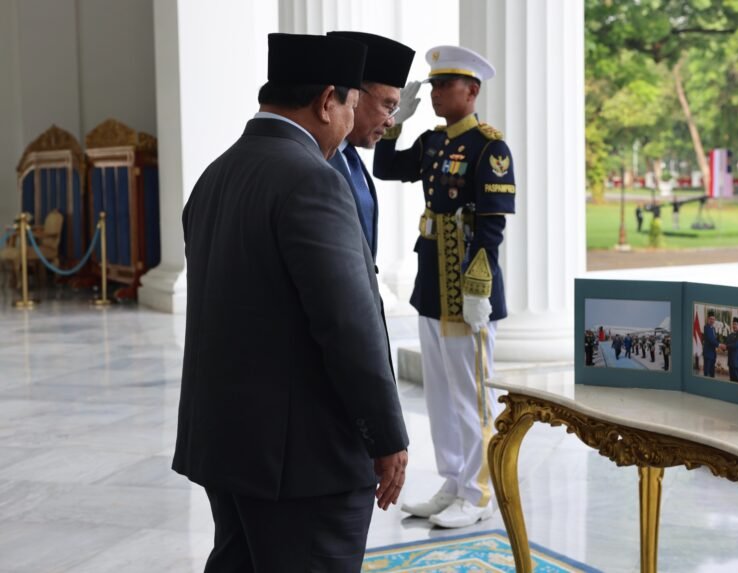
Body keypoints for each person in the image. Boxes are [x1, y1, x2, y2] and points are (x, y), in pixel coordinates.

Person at [172, 33, 409, 572]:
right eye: (352, 104)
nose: (351, 121)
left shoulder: (216, 174)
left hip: (230, 443)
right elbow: (347, 325)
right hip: (301, 460)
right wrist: (387, 436)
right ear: (329, 100)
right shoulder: (312, 180)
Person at [373, 45, 516, 528]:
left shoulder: (489, 148)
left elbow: (492, 228)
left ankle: (478, 492)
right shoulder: (434, 143)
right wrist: (394, 123)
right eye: (432, 85)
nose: (434, 93)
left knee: (472, 395)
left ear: (471, 91)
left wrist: (478, 287)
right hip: (433, 283)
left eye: (443, 85)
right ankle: (453, 481)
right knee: (439, 394)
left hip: (467, 292)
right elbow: (386, 167)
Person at [326, 31, 415, 259]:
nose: (391, 121)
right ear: (355, 96)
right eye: (388, 105)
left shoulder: (349, 155)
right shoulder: (319, 157)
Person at [724, 317, 738, 383]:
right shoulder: (730, 335)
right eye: (733, 324)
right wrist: (723, 347)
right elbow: (726, 344)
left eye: (736, 324)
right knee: (732, 383)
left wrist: (726, 346)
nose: (734, 326)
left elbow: (736, 345)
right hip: (731, 364)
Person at [702, 311, 719, 377]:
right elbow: (711, 340)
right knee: (707, 373)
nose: (712, 320)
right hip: (708, 354)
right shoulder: (706, 327)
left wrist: (718, 344)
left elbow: (714, 339)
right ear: (708, 319)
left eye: (713, 319)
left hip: (713, 354)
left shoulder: (713, 328)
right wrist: (719, 345)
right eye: (711, 319)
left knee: (712, 373)